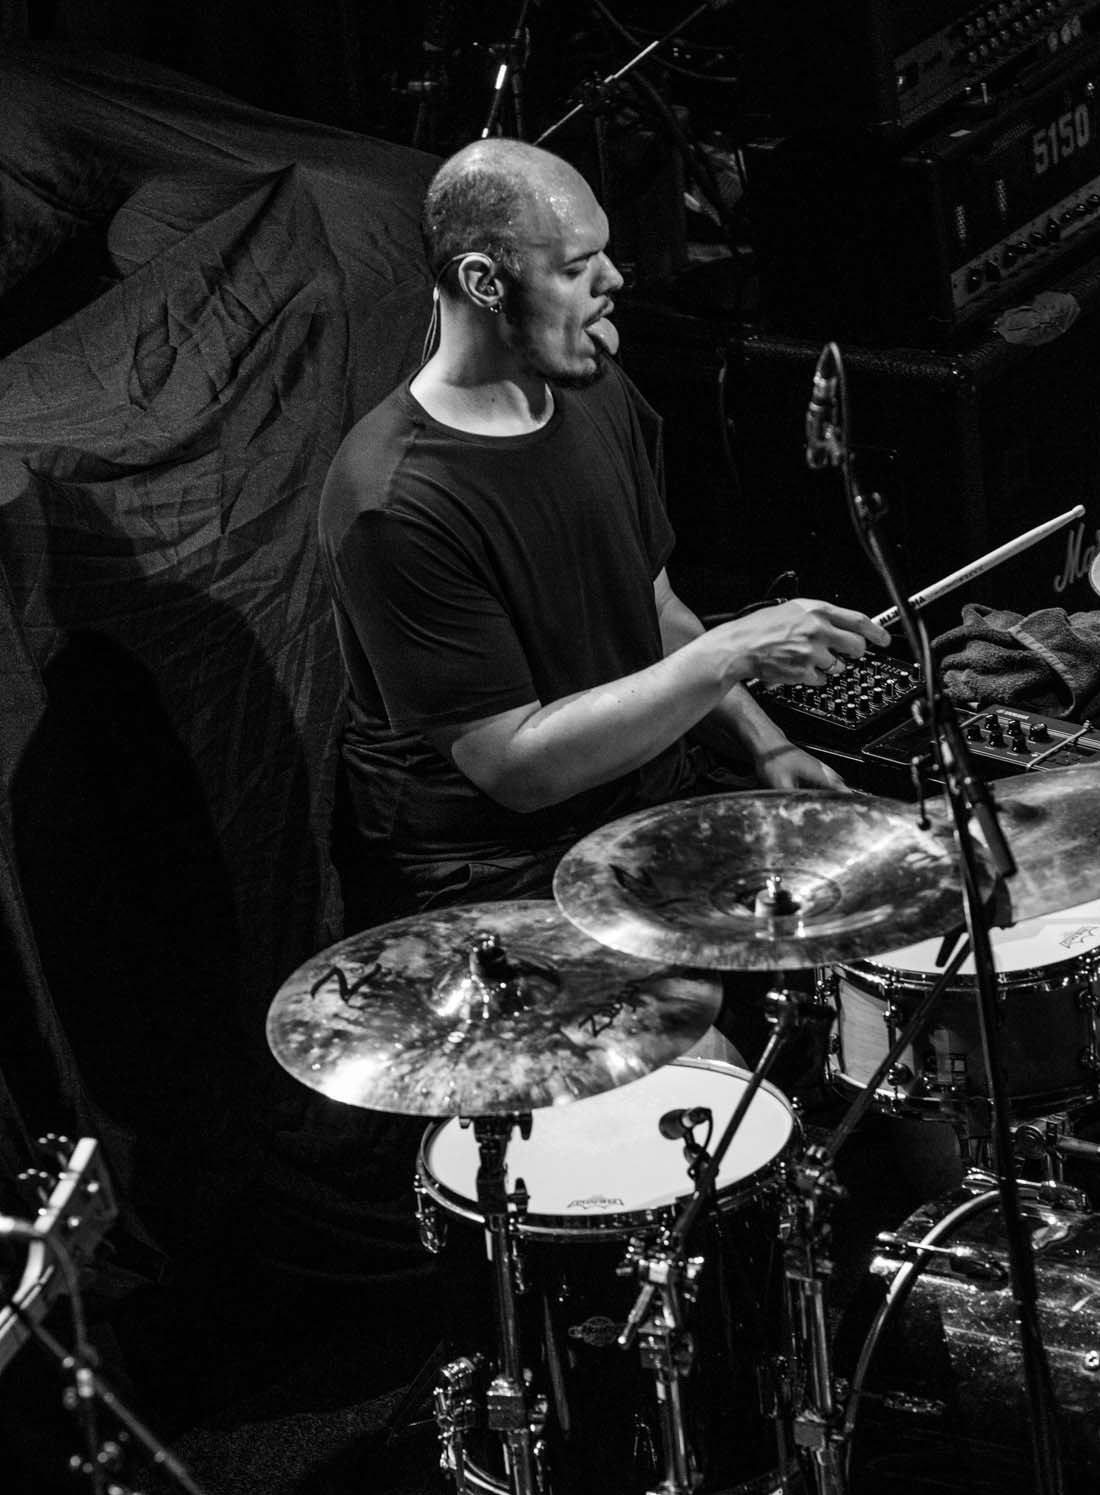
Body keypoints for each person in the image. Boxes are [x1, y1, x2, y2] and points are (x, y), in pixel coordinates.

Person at [318, 136, 890, 929]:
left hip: (642, 798)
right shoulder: (395, 503)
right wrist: (729, 652)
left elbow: (653, 610)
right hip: (495, 865)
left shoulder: (591, 388)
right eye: (575, 266)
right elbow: (516, 769)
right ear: (483, 282)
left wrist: (764, 744)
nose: (613, 280)